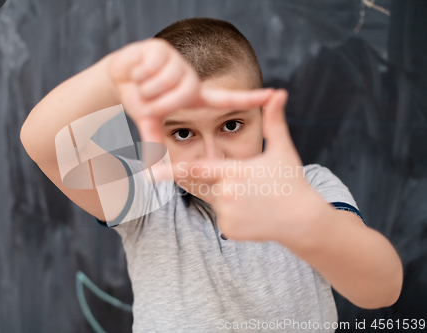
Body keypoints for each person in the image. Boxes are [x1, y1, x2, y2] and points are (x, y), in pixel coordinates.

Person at [20, 17, 403, 332]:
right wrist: (112, 79)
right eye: (183, 133)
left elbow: (381, 289)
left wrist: (305, 224)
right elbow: (42, 142)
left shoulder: (309, 188)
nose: (212, 157)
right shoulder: (145, 197)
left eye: (231, 126)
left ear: (262, 118)